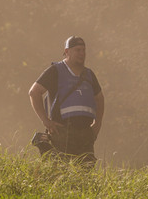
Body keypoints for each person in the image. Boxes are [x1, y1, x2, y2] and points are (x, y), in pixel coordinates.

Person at [29, 36, 104, 166]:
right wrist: (46, 121)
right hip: (61, 132)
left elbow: (100, 99)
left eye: (84, 50)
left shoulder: (89, 74)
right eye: (78, 50)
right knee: (60, 172)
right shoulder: (55, 71)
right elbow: (34, 92)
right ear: (67, 51)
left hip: (85, 133)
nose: (82, 53)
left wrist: (97, 125)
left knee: (85, 175)